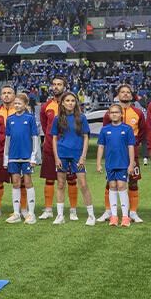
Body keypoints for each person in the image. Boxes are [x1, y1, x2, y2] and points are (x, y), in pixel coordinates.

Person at [99, 84, 147, 224]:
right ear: (118, 95)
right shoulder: (111, 112)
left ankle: (132, 213)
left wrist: (135, 144)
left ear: (131, 96)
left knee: (133, 180)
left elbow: (142, 130)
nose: (125, 94)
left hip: (132, 151)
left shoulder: (138, 112)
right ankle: (109, 211)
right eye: (122, 92)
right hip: (114, 153)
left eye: (128, 92)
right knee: (111, 182)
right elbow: (105, 130)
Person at [0, 85, 32, 219]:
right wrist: (1, 140)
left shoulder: (22, 111)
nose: (6, 95)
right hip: (0, 151)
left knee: (21, 181)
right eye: (4, 93)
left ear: (14, 95)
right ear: (0, 96)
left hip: (19, 152)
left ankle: (23, 209)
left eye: (9, 93)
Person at [39, 76, 79, 220]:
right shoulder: (46, 107)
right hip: (51, 149)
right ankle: (49, 209)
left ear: (65, 87)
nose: (56, 87)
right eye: (54, 84)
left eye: (59, 84)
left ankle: (73, 210)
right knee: (49, 180)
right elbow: (45, 127)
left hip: (70, 149)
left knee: (71, 180)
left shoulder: (71, 105)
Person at [51, 92, 95, 225]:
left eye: (73, 101)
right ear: (62, 103)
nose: (70, 103)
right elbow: (54, 138)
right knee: (60, 184)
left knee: (83, 184)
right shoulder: (57, 119)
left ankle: (91, 216)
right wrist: (56, 157)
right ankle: (60, 215)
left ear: (76, 103)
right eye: (68, 100)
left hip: (77, 155)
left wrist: (83, 156)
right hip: (62, 154)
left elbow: (86, 137)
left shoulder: (81, 118)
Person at [96, 103, 137, 227]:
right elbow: (101, 147)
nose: (114, 114)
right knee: (112, 186)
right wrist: (99, 164)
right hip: (110, 163)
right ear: (109, 114)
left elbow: (131, 147)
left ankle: (125, 216)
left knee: (121, 186)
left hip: (123, 163)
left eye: (116, 112)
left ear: (121, 114)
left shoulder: (127, 129)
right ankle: (114, 216)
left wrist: (131, 164)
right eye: (112, 112)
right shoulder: (104, 129)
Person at [2, 92, 39, 224]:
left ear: (25, 104)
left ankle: (31, 213)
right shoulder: (10, 119)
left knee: (28, 183)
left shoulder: (30, 118)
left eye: (19, 103)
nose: (17, 105)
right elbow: (8, 140)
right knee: (16, 183)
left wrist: (34, 157)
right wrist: (6, 158)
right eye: (15, 103)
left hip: (26, 157)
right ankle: (16, 213)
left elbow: (35, 137)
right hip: (13, 157)